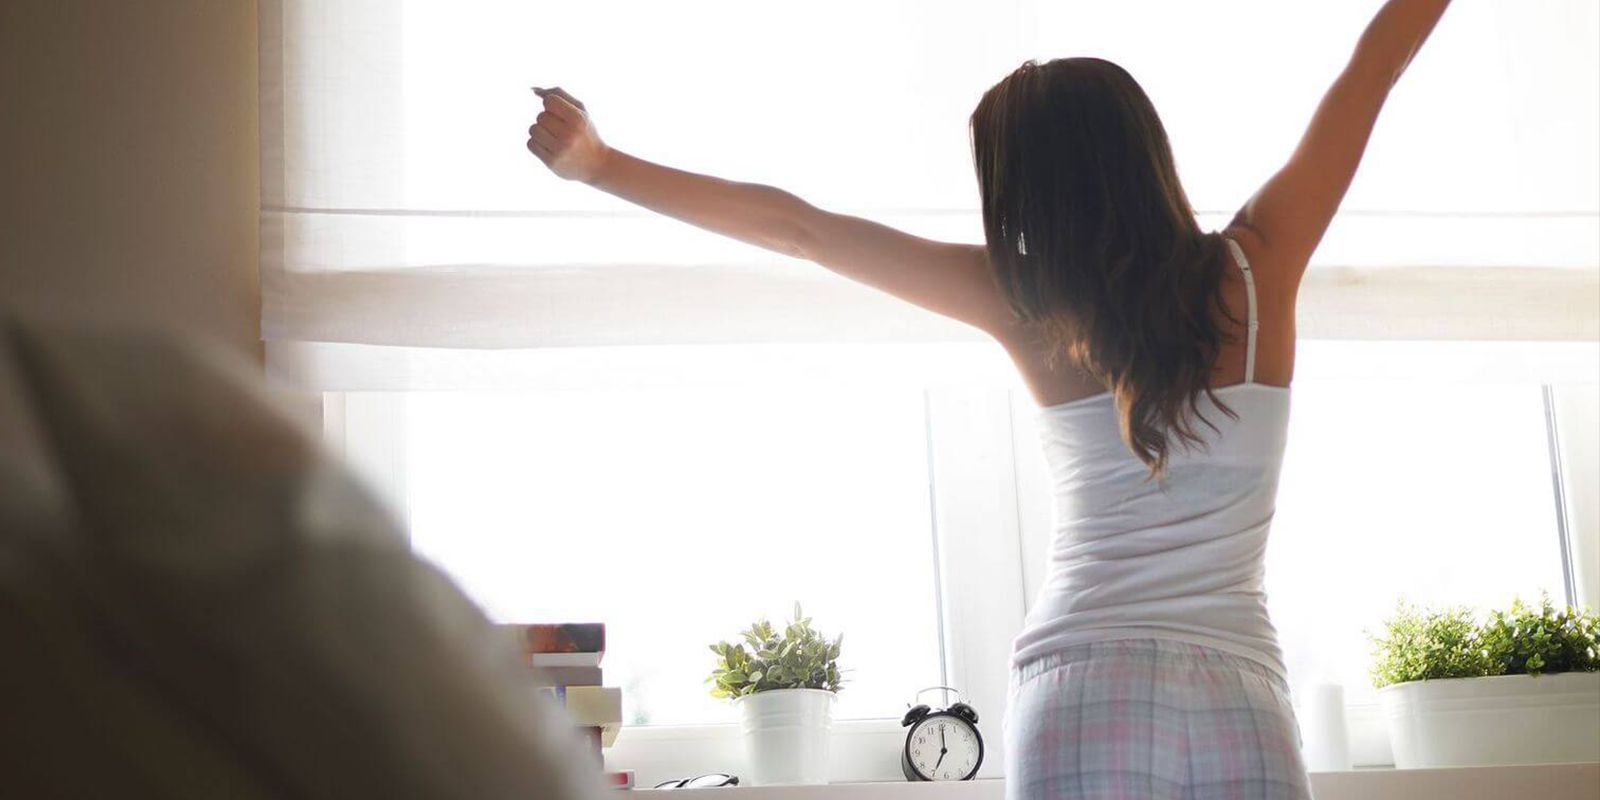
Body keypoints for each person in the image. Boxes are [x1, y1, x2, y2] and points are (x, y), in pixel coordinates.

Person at [526, 1, 1452, 796]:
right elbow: (1375, 65)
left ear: (1027, 198)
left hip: (1083, 685)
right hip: (1241, 691)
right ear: (1143, 153)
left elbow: (802, 228)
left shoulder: (1023, 303)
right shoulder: (1257, 268)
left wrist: (602, 164)